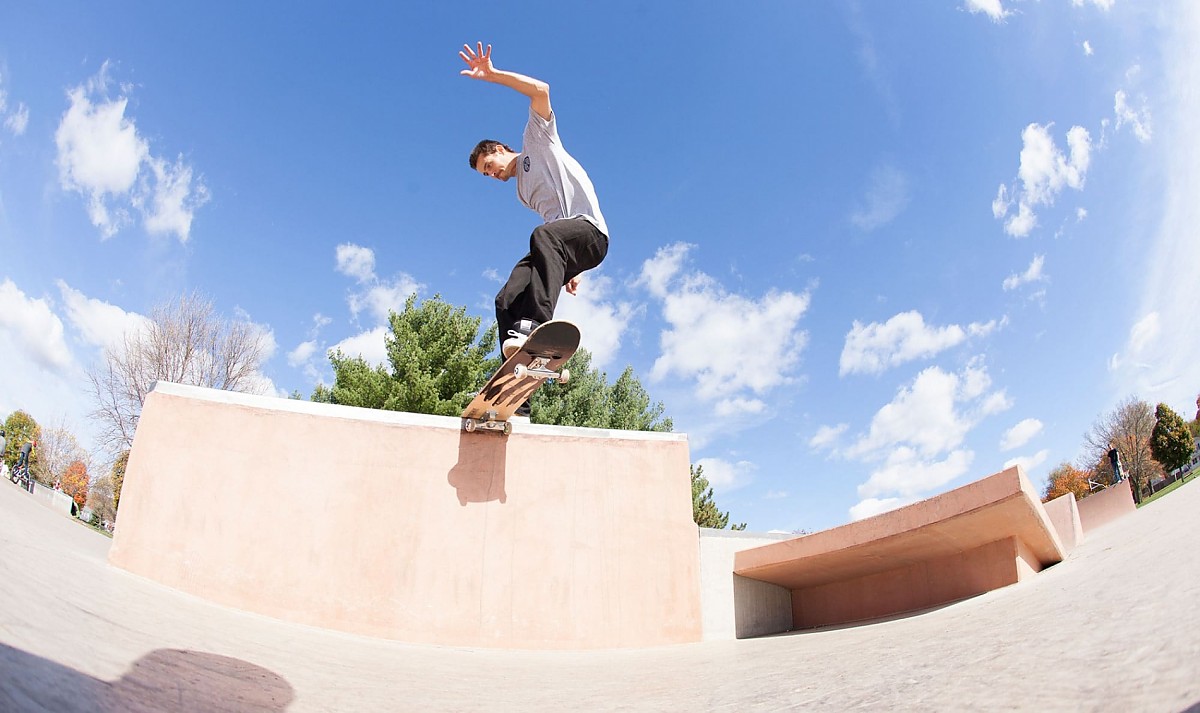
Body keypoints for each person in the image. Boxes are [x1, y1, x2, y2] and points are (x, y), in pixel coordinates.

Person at [460, 42, 610, 417]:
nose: (491, 174)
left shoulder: (536, 142)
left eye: (489, 163)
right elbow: (553, 226)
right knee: (506, 297)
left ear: (500, 147)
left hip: (591, 234)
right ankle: (517, 392)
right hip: (566, 244)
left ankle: (535, 328)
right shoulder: (522, 193)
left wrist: (493, 75)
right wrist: (564, 269)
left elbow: (541, 89)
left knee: (543, 237)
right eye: (485, 174)